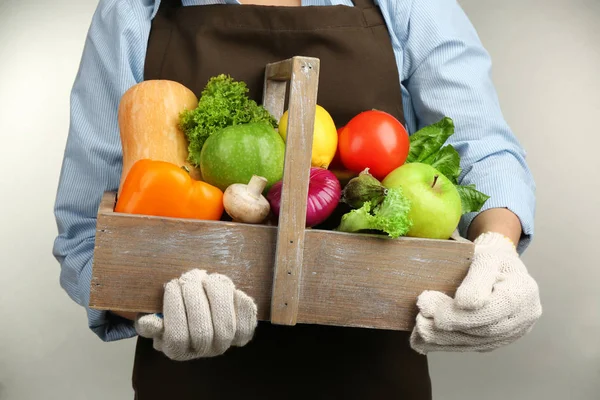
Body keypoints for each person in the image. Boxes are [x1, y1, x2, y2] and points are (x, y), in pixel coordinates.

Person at [52, 0, 542, 398]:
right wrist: (151, 310)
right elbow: (85, 237)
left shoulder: (408, 5)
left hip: (374, 379)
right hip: (193, 380)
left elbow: (483, 149)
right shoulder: (133, 11)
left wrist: (497, 249)